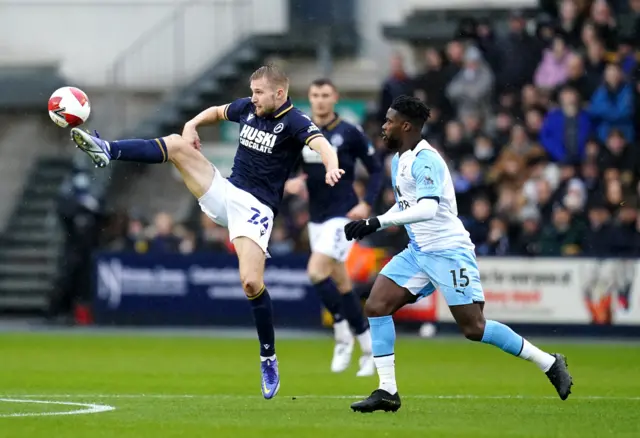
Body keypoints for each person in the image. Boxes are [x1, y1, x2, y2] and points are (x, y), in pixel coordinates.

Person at [69, 64, 344, 400]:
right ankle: (108, 149)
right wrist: (191, 124)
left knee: (251, 283)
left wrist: (331, 165)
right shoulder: (248, 107)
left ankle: (268, 356)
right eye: (252, 91)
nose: (252, 98)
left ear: (280, 94)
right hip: (225, 191)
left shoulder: (295, 121)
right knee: (175, 144)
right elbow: (216, 111)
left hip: (256, 210)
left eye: (259, 92)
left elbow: (321, 144)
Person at [343, 96, 573, 413]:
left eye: (389, 121)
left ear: (405, 125)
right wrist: (376, 224)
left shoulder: (427, 160)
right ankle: (387, 390)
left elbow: (428, 208)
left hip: (449, 252)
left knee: (474, 328)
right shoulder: (399, 160)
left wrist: (377, 222)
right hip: (418, 252)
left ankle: (548, 362)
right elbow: (408, 205)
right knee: (377, 304)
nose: (384, 126)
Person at [285, 78, 383, 376]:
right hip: (316, 217)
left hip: (343, 215)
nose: (320, 100)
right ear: (309, 98)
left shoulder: (349, 132)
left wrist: (367, 202)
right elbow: (290, 169)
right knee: (341, 284)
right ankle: (369, 348)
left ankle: (341, 336)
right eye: (315, 95)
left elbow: (377, 168)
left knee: (316, 271)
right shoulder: (302, 132)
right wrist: (291, 181)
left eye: (326, 95)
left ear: (335, 97)